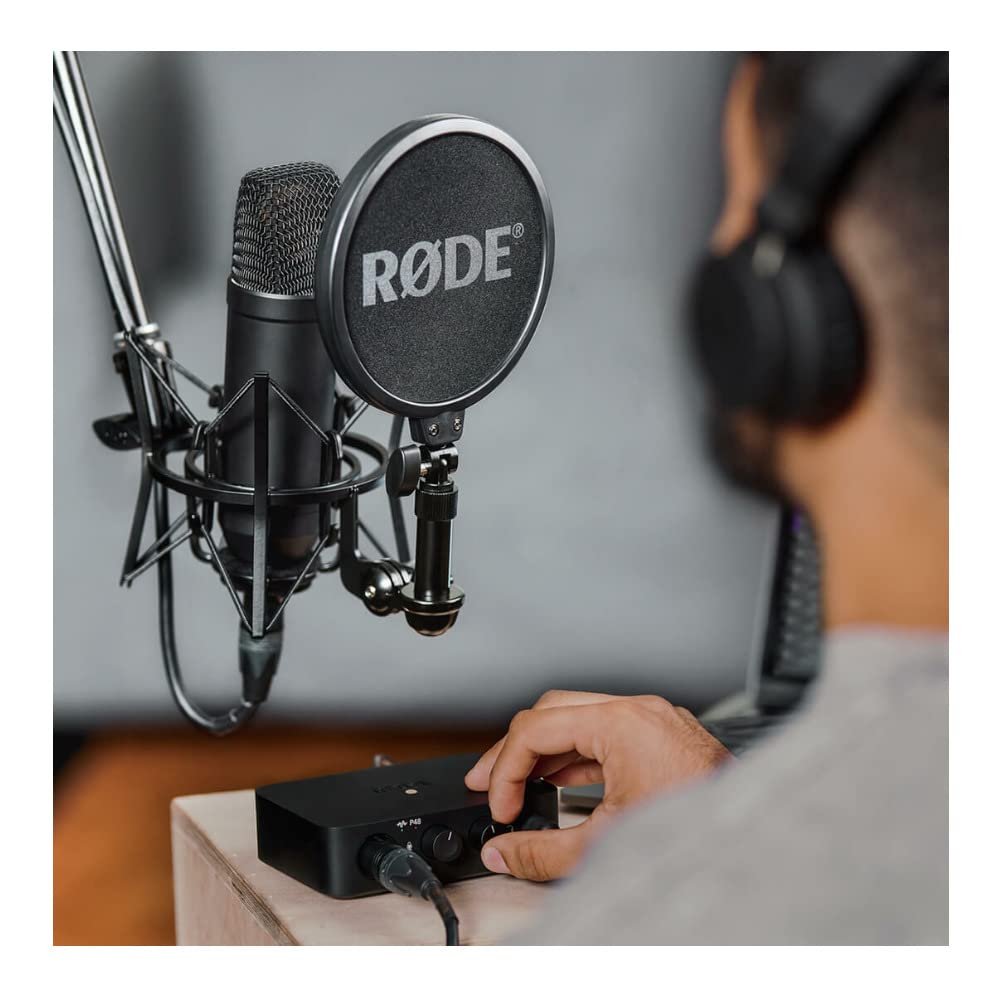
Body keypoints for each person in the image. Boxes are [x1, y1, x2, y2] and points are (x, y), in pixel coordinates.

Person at [466, 52, 948, 944]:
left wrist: (718, 854)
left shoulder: (648, 927)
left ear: (776, 307)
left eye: (738, 205)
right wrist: (732, 805)